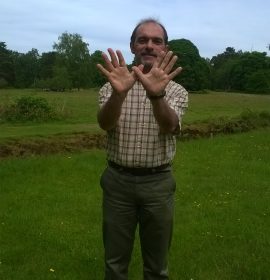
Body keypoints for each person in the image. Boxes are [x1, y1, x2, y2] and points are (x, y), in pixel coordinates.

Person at [97, 18, 188, 280]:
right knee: (114, 263)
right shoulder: (112, 85)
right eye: (142, 40)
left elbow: (170, 126)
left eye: (156, 41)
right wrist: (119, 94)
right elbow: (105, 124)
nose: (149, 45)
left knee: (157, 266)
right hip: (117, 183)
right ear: (132, 46)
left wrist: (156, 95)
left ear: (164, 48)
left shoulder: (177, 90)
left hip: (158, 183)